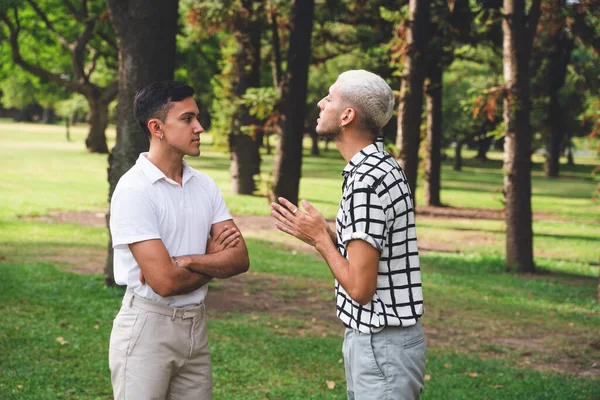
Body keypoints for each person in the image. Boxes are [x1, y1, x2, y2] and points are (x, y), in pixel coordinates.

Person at [270, 70, 426, 399]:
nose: (320, 103)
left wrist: (320, 240)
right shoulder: (382, 166)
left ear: (347, 116)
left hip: (381, 344)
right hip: (381, 342)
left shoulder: (366, 181)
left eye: (329, 97)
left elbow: (360, 287)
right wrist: (327, 234)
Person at [109, 81, 249, 400]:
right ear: (156, 127)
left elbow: (240, 259)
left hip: (196, 328)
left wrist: (188, 260)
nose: (199, 127)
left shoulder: (205, 185)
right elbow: (165, 283)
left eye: (197, 117)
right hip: (148, 328)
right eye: (187, 119)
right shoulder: (134, 190)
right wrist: (212, 257)